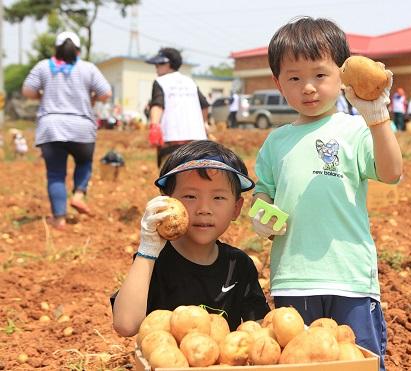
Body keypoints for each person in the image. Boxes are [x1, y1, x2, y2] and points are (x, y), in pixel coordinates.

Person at [251, 17, 402, 371]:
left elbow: (392, 172)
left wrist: (377, 117)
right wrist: (262, 215)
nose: (308, 88)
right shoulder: (276, 142)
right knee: (298, 362)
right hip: (293, 276)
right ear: (278, 83)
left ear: (341, 76)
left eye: (319, 75)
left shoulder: (354, 128)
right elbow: (264, 193)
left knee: (357, 361)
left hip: (350, 276)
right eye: (294, 78)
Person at [112, 140, 270, 336]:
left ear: (236, 208)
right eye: (190, 196)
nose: (204, 209)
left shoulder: (238, 265)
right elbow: (125, 325)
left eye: (218, 198)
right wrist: (147, 251)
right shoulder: (155, 262)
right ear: (167, 202)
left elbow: (260, 328)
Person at [22, 31, 112, 230]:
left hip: (51, 127)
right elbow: (106, 93)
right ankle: (79, 195)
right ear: (78, 50)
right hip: (81, 128)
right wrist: (93, 98)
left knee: (55, 174)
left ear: (56, 48)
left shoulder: (44, 66)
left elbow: (27, 90)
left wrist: (42, 96)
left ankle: (59, 219)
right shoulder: (88, 68)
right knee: (84, 163)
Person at [146, 48, 210, 168]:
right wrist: (205, 123)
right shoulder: (189, 82)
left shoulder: (160, 81)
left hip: (172, 142)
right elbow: (204, 105)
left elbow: (158, 105)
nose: (156, 67)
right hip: (197, 143)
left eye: (159, 64)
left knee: (170, 182)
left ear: (168, 64)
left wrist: (154, 126)